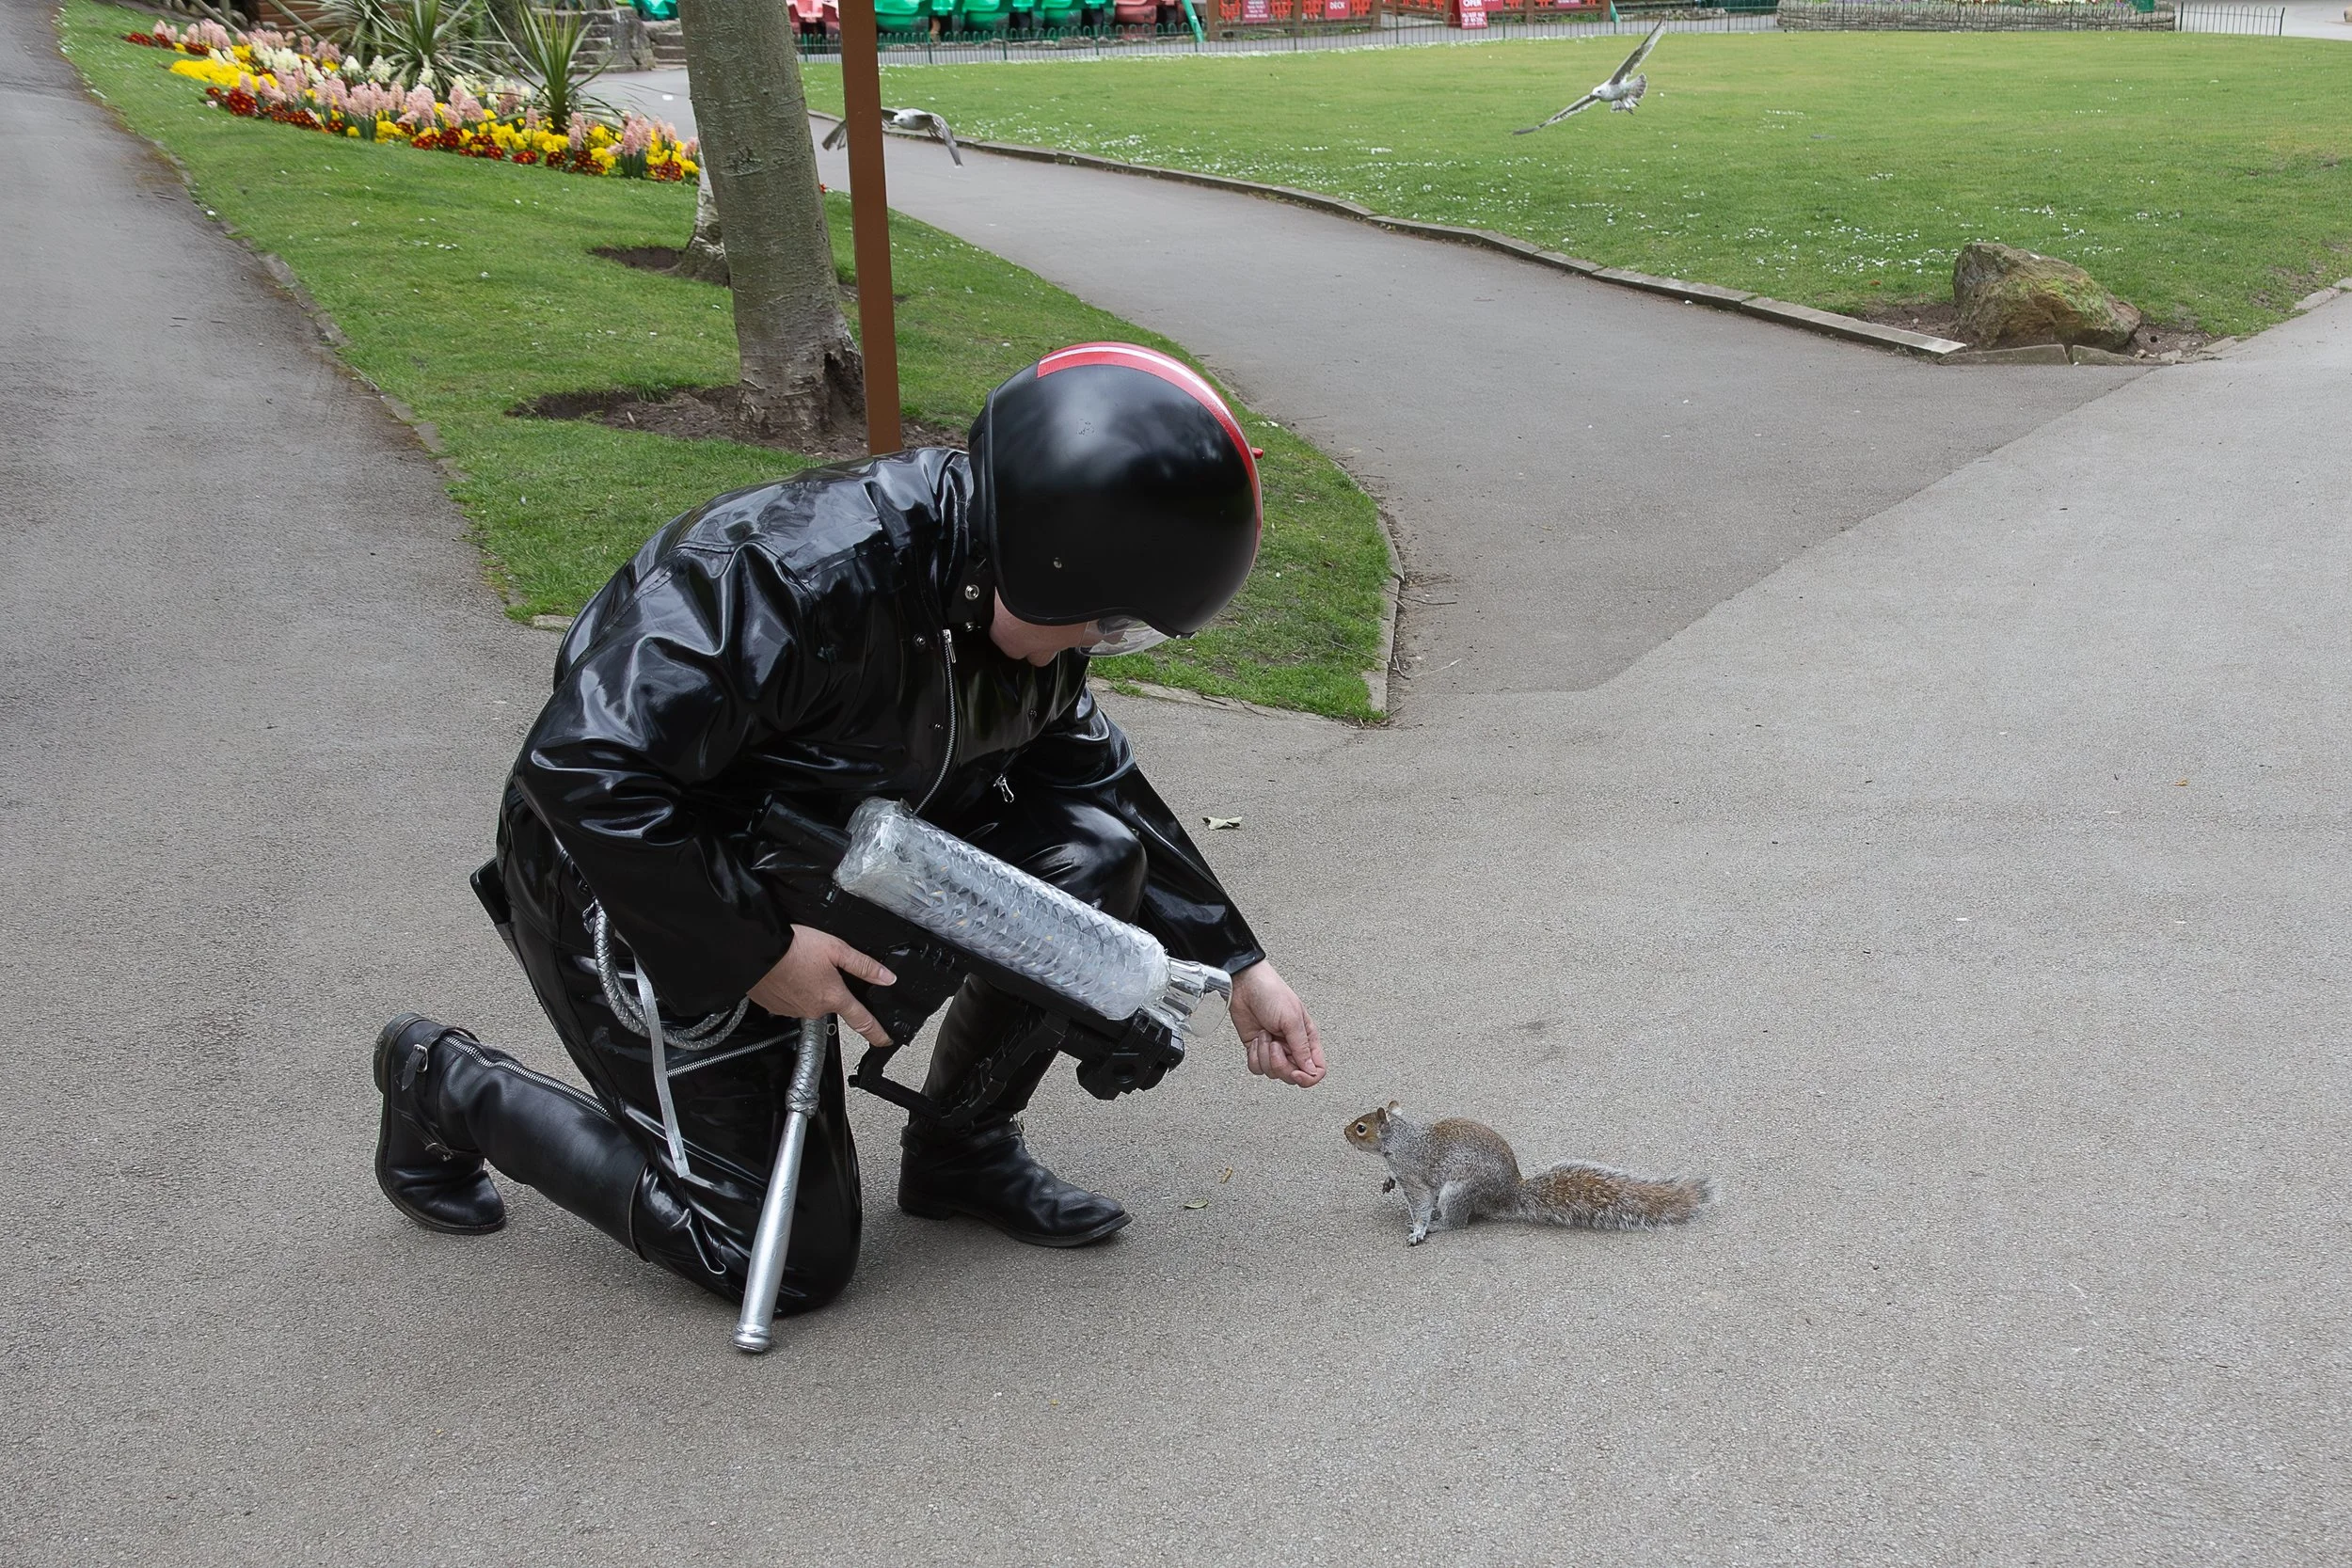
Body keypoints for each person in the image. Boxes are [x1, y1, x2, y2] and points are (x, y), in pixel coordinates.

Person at [372, 342, 1327, 1318]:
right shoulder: (793, 574)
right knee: (780, 1263)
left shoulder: (1016, 602)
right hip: (625, 875)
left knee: (1092, 858)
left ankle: (963, 1148)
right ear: (1050, 557)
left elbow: (1093, 780)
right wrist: (759, 951)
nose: (1098, 646)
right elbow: (583, 762)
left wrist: (1239, 963)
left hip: (824, 858)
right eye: (1106, 624)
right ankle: (442, 1080)